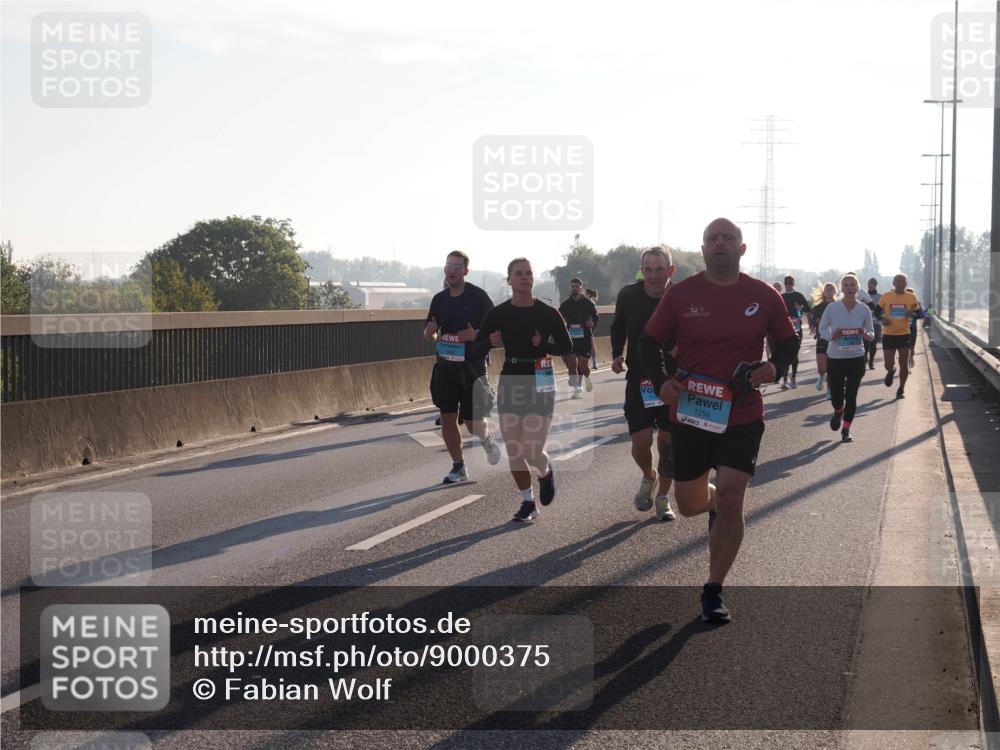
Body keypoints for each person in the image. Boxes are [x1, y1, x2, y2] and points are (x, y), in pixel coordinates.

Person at [639, 218, 799, 624]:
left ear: (742, 249)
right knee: (690, 505)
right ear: (703, 248)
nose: (720, 244)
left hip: (742, 412)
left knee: (733, 496)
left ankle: (713, 588)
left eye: (728, 238)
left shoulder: (763, 296)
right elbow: (648, 341)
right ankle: (708, 501)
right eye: (713, 238)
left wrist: (775, 367)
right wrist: (661, 382)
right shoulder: (683, 295)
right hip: (691, 414)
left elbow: (788, 340)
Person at [473, 258, 572, 522]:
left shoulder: (548, 313)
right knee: (515, 449)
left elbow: (567, 347)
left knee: (531, 449)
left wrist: (544, 346)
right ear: (509, 280)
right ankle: (528, 502)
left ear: (533, 278)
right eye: (519, 273)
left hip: (541, 380)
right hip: (511, 379)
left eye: (528, 273)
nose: (524, 277)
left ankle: (545, 470)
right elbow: (474, 349)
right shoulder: (497, 314)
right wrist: (489, 343)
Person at [610, 246, 677, 521]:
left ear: (670, 271)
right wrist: (616, 354)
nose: (653, 276)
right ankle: (648, 476)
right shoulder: (628, 295)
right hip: (639, 379)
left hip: (673, 382)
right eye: (647, 270)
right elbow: (617, 326)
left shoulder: (680, 296)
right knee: (640, 442)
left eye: (659, 269)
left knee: (668, 443)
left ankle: (663, 498)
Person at [424, 252, 501, 482]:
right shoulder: (439, 299)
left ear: (465, 271)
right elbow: (431, 331)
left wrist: (476, 334)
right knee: (447, 417)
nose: (452, 270)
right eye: (449, 265)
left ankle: (486, 438)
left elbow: (497, 331)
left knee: (472, 422)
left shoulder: (478, 297)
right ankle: (458, 466)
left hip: (472, 367)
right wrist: (430, 333)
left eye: (457, 266)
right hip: (445, 366)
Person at [818, 274, 875, 443]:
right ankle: (837, 411)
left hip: (856, 358)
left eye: (852, 285)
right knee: (836, 396)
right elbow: (822, 329)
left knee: (851, 396)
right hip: (835, 358)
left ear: (857, 288)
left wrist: (866, 335)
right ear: (841, 289)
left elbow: (872, 332)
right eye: (846, 285)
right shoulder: (832, 308)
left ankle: (846, 429)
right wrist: (831, 336)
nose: (849, 288)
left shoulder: (864, 309)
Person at [875, 274, 920, 399]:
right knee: (888, 364)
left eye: (903, 281)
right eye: (898, 281)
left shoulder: (911, 297)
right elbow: (877, 311)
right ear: (893, 283)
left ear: (906, 283)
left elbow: (918, 312)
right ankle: (891, 370)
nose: (900, 283)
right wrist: (882, 318)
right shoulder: (886, 296)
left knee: (904, 362)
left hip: (904, 334)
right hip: (888, 334)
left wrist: (912, 314)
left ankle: (901, 389)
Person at [559, 278, 600, 399]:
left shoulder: (587, 303)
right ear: (570, 288)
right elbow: (559, 318)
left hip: (585, 337)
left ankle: (587, 378)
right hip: (571, 338)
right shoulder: (566, 304)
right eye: (572, 286)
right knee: (571, 363)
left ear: (581, 288)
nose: (574, 288)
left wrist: (592, 324)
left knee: (583, 365)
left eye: (576, 286)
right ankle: (576, 388)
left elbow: (595, 317)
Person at [781, 275, 812, 389]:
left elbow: (809, 310)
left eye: (790, 283)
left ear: (794, 284)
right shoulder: (781, 296)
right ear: (784, 284)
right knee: (783, 353)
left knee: (794, 352)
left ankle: (793, 377)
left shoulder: (798, 296)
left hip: (797, 327)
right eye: (786, 283)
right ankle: (784, 379)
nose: (788, 285)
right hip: (784, 327)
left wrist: (801, 309)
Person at [809, 282, 838, 393]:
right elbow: (812, 319)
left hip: (835, 340)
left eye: (831, 289)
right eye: (827, 289)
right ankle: (821, 377)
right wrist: (813, 325)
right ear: (824, 292)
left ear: (835, 291)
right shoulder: (818, 307)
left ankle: (829, 390)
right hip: (822, 339)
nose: (829, 291)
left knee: (832, 368)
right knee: (822, 369)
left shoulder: (839, 305)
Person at [863, 278, 882, 371]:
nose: (871, 285)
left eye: (873, 283)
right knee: (866, 344)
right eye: (869, 283)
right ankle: (865, 356)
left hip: (875, 323)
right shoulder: (863, 296)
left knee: (873, 343)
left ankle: (871, 362)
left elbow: (882, 310)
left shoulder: (880, 296)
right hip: (864, 323)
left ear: (876, 285)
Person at [585, 289, 600, 369]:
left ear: (589, 295)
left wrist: (591, 323)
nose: (583, 295)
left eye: (585, 293)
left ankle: (594, 362)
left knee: (591, 344)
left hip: (589, 326)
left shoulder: (591, 303)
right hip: (582, 326)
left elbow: (593, 315)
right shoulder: (582, 302)